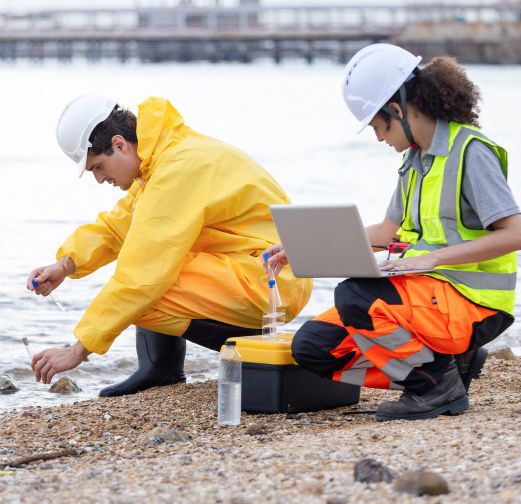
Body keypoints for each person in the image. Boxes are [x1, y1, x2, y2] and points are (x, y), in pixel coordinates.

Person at [265, 44, 521, 421]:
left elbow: (515, 235)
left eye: (378, 126)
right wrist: (305, 247)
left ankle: (435, 385)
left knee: (356, 295)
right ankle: (445, 369)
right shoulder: (414, 160)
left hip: (475, 305)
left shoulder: (471, 152)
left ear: (398, 110)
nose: (378, 138)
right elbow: (389, 232)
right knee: (314, 348)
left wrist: (431, 259)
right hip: (428, 295)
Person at [27, 94, 312, 396]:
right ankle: (162, 368)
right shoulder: (163, 159)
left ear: (119, 144)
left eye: (98, 166)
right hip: (262, 270)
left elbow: (142, 275)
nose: (99, 179)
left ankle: (243, 350)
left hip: (272, 279)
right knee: (148, 260)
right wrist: (66, 264)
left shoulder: (176, 170)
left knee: (147, 278)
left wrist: (77, 350)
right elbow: (118, 225)